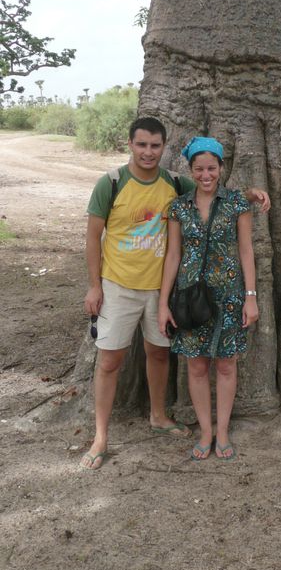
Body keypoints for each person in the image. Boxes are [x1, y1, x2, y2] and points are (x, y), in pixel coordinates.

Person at [81, 119, 269, 470]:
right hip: (136, 288)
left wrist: (251, 194)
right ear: (130, 144)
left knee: (172, 356)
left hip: (196, 294)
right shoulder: (123, 187)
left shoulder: (183, 187)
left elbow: (225, 211)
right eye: (142, 145)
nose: (148, 152)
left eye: (155, 146)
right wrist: (97, 285)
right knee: (118, 361)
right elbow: (102, 239)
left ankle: (182, 422)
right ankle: (103, 436)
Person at [158, 136, 258, 461]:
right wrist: (163, 304)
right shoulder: (178, 207)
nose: (205, 175)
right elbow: (173, 256)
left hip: (229, 297)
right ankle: (205, 431)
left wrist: (251, 297)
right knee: (197, 367)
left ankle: (224, 431)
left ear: (220, 168)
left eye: (211, 168)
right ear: (191, 170)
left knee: (227, 365)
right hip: (190, 300)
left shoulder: (236, 204)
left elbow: (246, 252)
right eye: (199, 168)